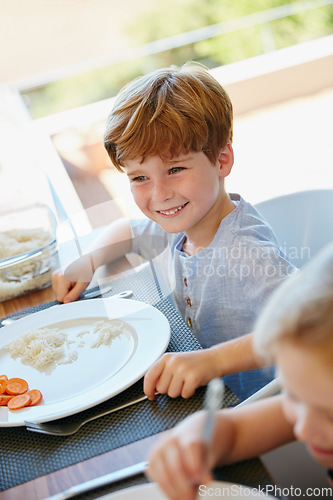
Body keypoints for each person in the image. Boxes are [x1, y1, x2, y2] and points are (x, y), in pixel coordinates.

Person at [52, 62, 296, 400]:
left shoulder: (246, 252)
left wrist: (210, 362)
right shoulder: (182, 225)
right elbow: (130, 230)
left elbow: (308, 325)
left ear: (221, 160)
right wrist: (89, 259)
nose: (159, 194)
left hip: (263, 411)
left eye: (175, 169)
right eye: (139, 178)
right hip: (208, 393)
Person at [146, 243, 333, 499]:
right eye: (292, 394)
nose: (302, 430)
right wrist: (196, 436)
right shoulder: (316, 406)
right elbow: (235, 431)